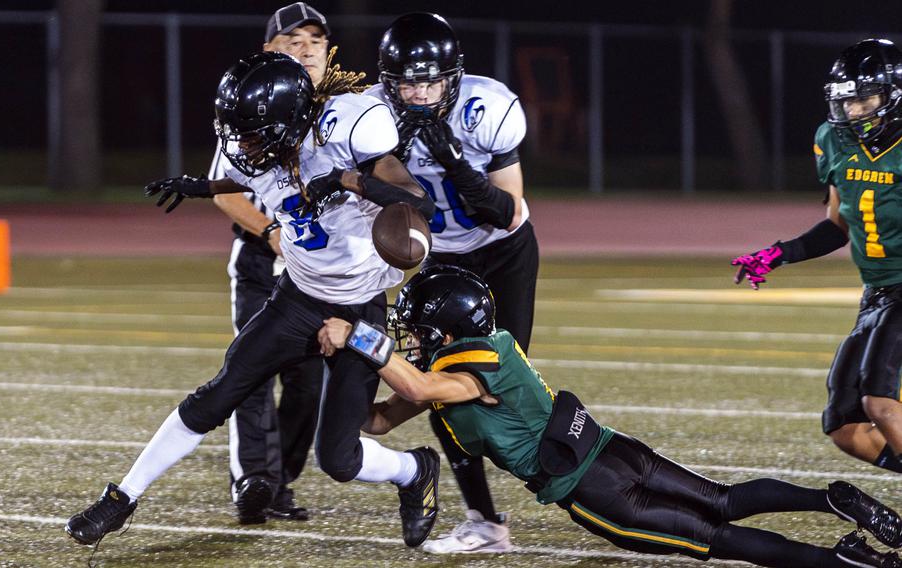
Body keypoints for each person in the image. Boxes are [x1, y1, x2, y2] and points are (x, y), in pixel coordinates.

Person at [65, 52, 440, 550]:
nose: (241, 145)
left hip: (360, 306)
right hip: (297, 298)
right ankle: (122, 496)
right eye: (235, 132)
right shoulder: (258, 149)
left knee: (339, 459)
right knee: (218, 393)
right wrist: (200, 186)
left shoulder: (345, 130)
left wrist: (346, 179)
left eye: (251, 134)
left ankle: (415, 471)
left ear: (290, 122)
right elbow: (242, 178)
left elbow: (419, 202)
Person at [318, 265, 902, 568]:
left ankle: (842, 561)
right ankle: (833, 499)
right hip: (613, 448)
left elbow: (417, 385)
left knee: (719, 537)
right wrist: (335, 381)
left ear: (448, 330)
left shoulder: (461, 369)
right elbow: (379, 421)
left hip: (590, 488)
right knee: (722, 501)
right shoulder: (476, 349)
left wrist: (359, 340)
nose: (411, 339)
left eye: (419, 330)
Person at [365, 12, 539, 553]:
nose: (418, 95)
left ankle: (390, 414)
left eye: (430, 81)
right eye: (407, 83)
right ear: (389, 83)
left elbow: (505, 212)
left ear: (453, 78)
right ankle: (484, 522)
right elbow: (398, 198)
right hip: (441, 259)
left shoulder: (487, 108)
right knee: (448, 390)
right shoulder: (371, 116)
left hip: (503, 253)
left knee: (496, 384)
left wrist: (451, 157)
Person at [732, 39, 902, 477]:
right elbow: (836, 226)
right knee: (846, 425)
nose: (856, 111)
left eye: (866, 99)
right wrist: (777, 254)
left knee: (880, 402)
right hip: (877, 294)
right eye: (848, 102)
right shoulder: (833, 139)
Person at [208, 1, 332, 525]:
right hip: (263, 260)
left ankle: (280, 480)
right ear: (269, 51)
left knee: (311, 383)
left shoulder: (349, 107)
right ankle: (254, 481)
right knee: (253, 372)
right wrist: (274, 231)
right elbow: (224, 192)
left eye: (314, 41)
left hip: (323, 270)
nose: (305, 50)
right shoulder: (251, 100)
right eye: (292, 40)